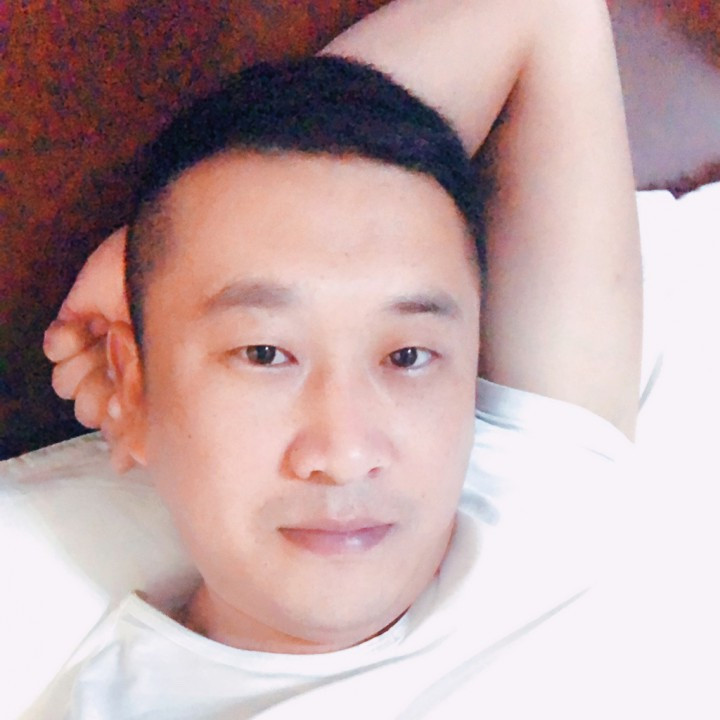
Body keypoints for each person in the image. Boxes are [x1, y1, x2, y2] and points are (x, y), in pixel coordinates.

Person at [36, 0, 642, 716]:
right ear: (135, 393)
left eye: (407, 355)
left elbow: (541, 14)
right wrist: (170, 245)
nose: (346, 455)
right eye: (265, 352)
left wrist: (150, 248)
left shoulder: (545, 505)